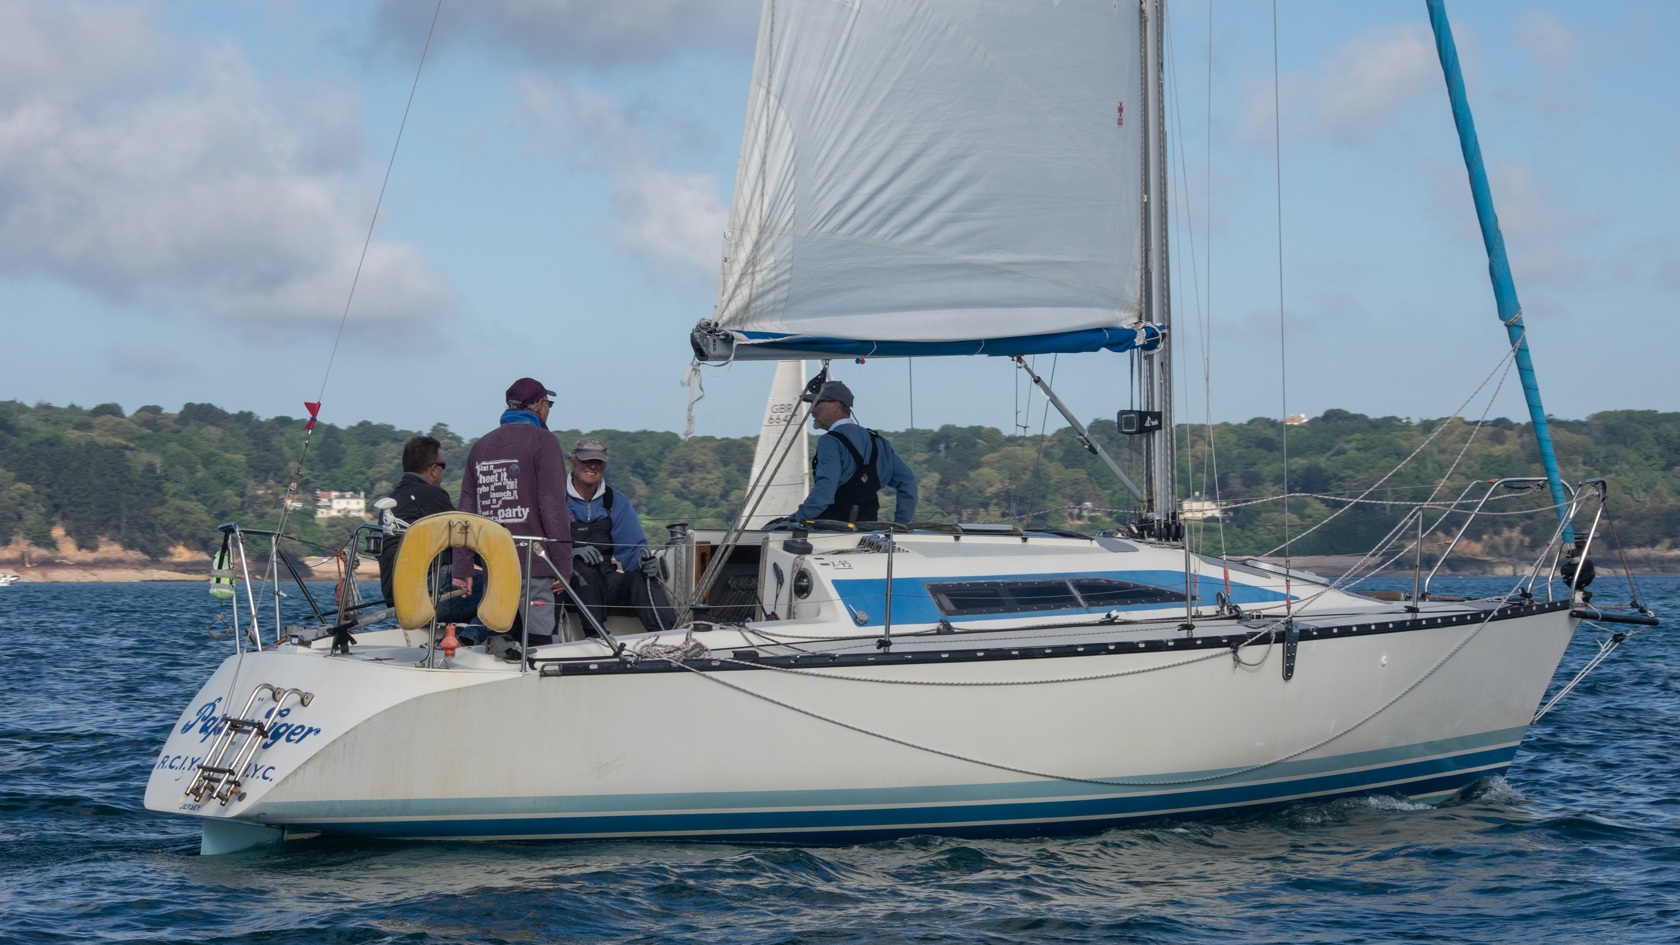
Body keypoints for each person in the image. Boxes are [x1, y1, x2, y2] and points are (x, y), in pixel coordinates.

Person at [451, 377, 573, 657]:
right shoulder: (545, 441)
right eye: (548, 404)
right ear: (540, 406)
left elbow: (465, 512)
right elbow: (553, 506)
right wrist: (563, 564)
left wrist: (463, 568)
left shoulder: (480, 446)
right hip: (536, 564)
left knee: (499, 638)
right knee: (539, 645)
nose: (549, 410)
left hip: (494, 563)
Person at [565, 436, 677, 634]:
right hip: (565, 582)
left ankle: (671, 639)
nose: (592, 466)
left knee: (642, 580)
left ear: (604, 466)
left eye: (598, 462)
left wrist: (645, 561)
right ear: (572, 462)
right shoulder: (555, 498)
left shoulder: (615, 501)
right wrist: (571, 553)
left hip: (606, 579)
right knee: (585, 571)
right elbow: (542, 543)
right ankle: (597, 639)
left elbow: (633, 547)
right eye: (586, 461)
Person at [378, 435, 483, 625]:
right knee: (499, 585)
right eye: (443, 466)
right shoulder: (430, 494)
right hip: (422, 594)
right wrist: (500, 563)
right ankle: (474, 636)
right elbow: (465, 539)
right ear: (434, 470)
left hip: (394, 599)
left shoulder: (394, 499)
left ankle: (464, 634)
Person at [789, 378, 918, 526]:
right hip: (868, 531)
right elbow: (908, 481)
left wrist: (798, 518)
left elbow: (824, 493)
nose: (811, 410)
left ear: (836, 406)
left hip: (832, 531)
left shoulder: (830, 441)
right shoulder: (879, 442)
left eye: (816, 403)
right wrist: (900, 524)